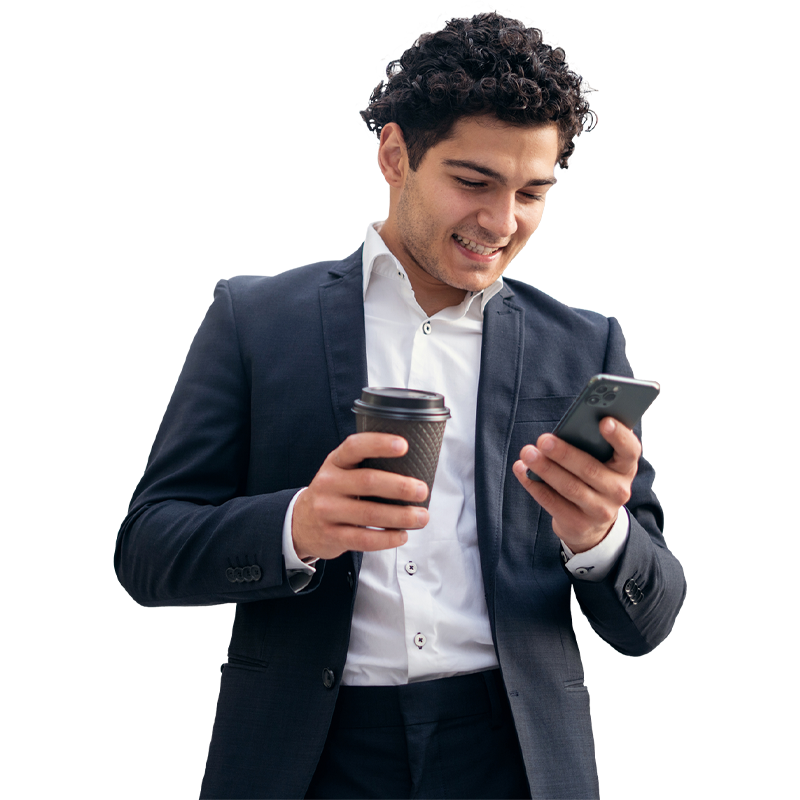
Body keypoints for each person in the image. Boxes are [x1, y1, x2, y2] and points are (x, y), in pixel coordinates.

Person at [114, 10, 685, 800]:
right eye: (474, 181)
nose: (501, 221)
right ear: (394, 155)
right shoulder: (257, 321)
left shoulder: (581, 345)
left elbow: (646, 622)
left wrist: (599, 537)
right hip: (309, 752)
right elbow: (147, 550)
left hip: (513, 753)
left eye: (530, 192)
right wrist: (299, 526)